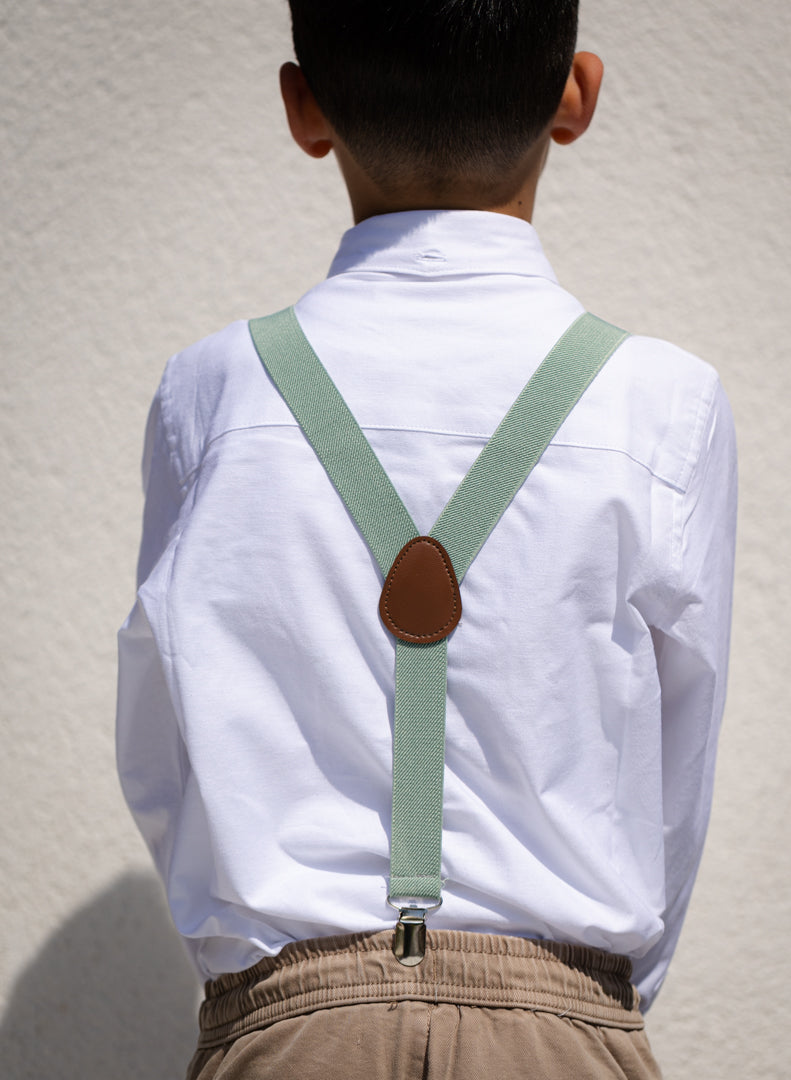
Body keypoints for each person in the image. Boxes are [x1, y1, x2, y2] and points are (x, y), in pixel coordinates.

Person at [117, 2, 737, 1077]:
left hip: (290, 1027)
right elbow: (679, 768)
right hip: (563, 1029)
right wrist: (581, 1009)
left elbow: (160, 743)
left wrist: (267, 992)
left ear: (303, 107)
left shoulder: (211, 393)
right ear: (576, 95)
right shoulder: (664, 404)